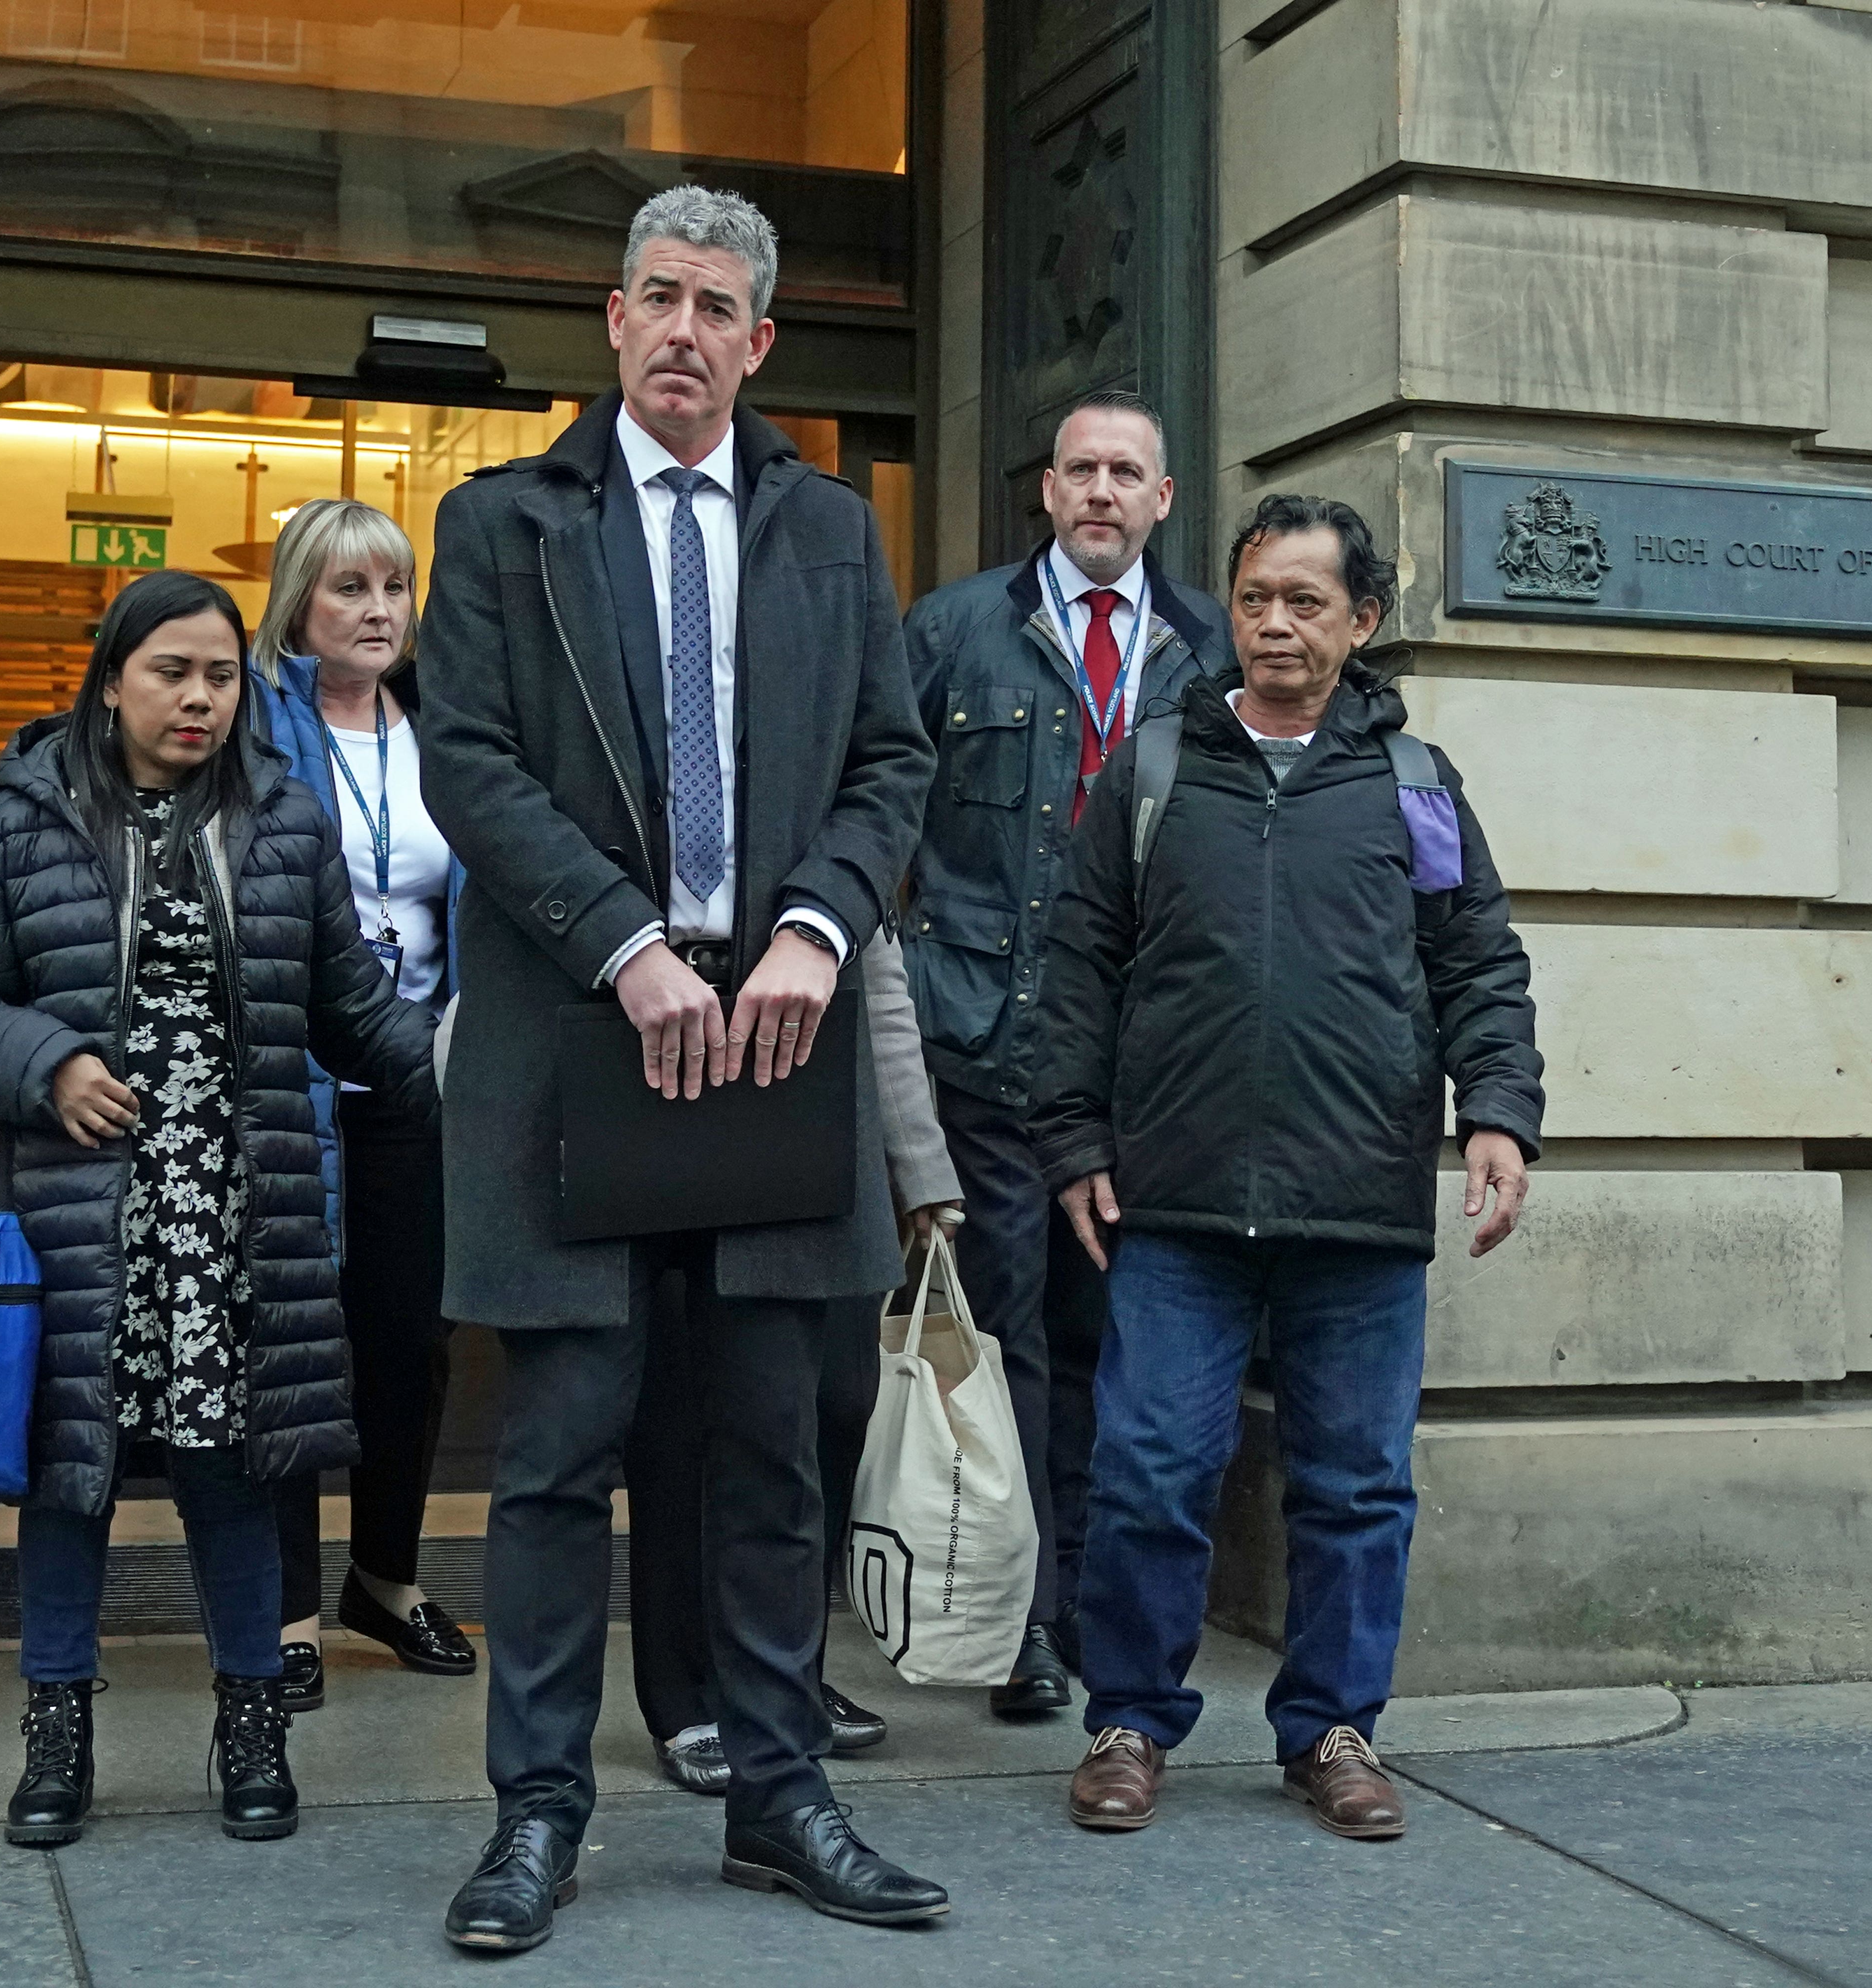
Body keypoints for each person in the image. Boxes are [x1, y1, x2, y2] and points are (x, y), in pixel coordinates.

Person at [416, 184, 943, 1951]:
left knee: (772, 1448)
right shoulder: (503, 524)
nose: (685, 331)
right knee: (562, 1448)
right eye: (659, 297)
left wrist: (815, 931)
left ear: (762, 342)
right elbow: (471, 770)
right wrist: (627, 945)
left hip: (777, 1026)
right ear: (613, 318)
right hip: (587, 1025)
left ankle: (784, 1801)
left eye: (721, 306)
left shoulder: (830, 534)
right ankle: (539, 1816)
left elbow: (893, 762)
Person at [1030, 494, 1544, 1841]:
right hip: (1179, 1201)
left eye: (1305, 602)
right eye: (1255, 597)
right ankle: (1131, 1719)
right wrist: (1075, 1138)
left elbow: (1477, 963)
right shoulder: (1152, 771)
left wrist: (1497, 1110)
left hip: (1359, 1204)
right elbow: (1078, 968)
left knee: (1357, 1484)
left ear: (1360, 623)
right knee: (1146, 1468)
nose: (1274, 624)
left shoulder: (1416, 786)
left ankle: (1331, 1729)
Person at [0, 569, 437, 1852]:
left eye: (217, 673)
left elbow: (350, 1011)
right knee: (68, 1484)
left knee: (235, 1472)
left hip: (235, 1209)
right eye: (170, 672)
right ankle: (55, 1742)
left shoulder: (282, 822)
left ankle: (251, 1729)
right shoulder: (21, 820)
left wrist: (476, 1070)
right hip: (75, 1214)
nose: (199, 698)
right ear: (111, 682)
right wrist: (48, 1065)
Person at [896, 389, 1231, 1717]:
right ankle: (1023, 1620)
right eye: (1079, 470)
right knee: (1011, 1338)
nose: (1100, 491)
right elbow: (878, 811)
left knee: (1122, 1341)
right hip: (983, 1046)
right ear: (1046, 491)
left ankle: (1102, 1602)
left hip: (1148, 1065)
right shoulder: (956, 631)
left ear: (1161, 501)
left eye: (1126, 473)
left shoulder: (1208, 644)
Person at [628, 927, 961, 1793]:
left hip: (812, 1113)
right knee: (682, 1424)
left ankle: (785, 1671)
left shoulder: (834, 808)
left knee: (837, 1403)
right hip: (656, 1103)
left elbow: (878, 988)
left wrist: (919, 1168)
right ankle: (686, 1697)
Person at [249, 497, 474, 1713]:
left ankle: (384, 1577)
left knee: (409, 1341)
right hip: (289, 1079)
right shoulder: (258, 723)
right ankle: (284, 1608)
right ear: (300, 602)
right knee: (291, 1339)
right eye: (349, 588)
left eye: (393, 587)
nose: (379, 610)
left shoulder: (441, 725)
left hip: (415, 1077)